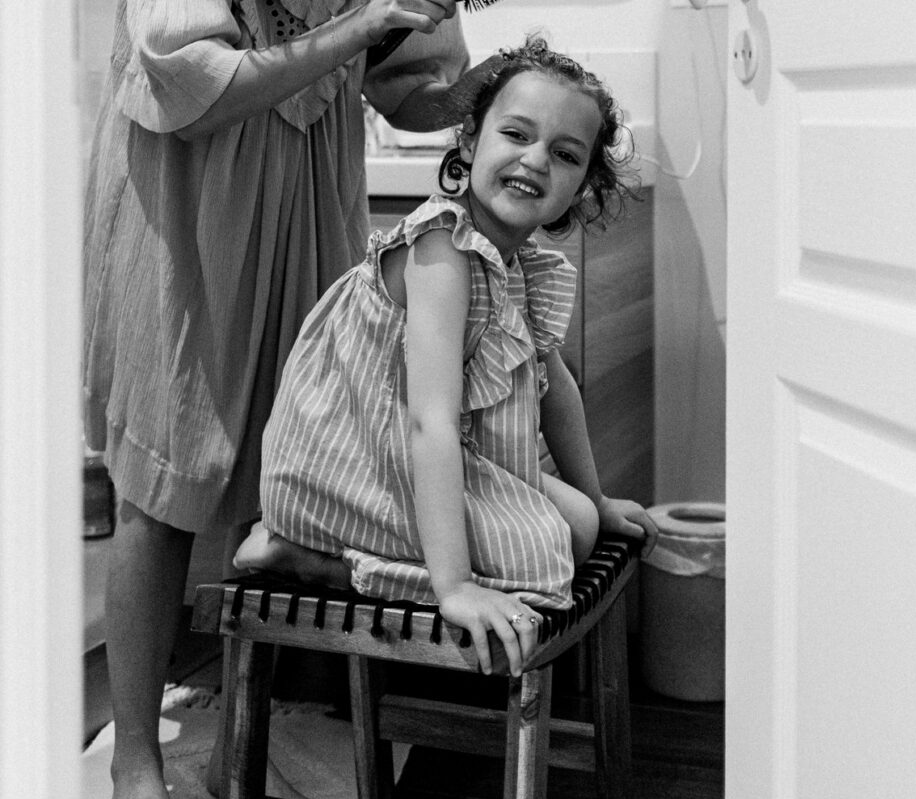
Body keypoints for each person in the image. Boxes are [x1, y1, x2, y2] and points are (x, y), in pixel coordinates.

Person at [83, 0, 494, 799]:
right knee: (165, 480)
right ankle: (134, 772)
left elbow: (409, 89)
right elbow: (188, 88)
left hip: (309, 191)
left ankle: (241, 733)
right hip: (187, 206)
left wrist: (482, 87)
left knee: (293, 469)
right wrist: (363, 29)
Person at [235, 37, 659, 677]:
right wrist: (454, 587)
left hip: (414, 454)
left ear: (580, 188)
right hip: (349, 466)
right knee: (545, 550)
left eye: (565, 154)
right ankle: (307, 554)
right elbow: (427, 421)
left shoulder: (517, 261)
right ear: (469, 141)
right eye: (516, 134)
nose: (535, 159)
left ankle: (346, 553)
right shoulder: (444, 251)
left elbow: (554, 384)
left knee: (577, 525)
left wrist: (596, 499)